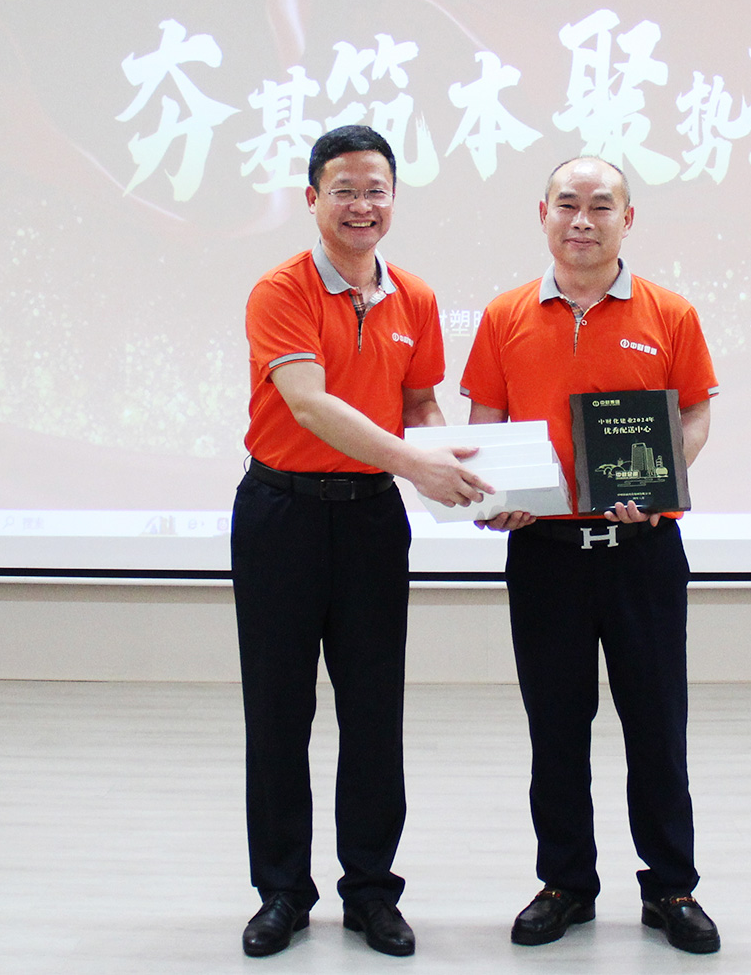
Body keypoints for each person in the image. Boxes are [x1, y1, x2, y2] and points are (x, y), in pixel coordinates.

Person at [233, 125, 491, 959]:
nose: (361, 205)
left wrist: (465, 466)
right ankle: (282, 891)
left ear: (393, 200)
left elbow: (418, 406)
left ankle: (372, 891)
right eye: (343, 190)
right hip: (281, 515)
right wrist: (417, 463)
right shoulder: (280, 290)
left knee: (375, 712)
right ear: (313, 199)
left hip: (373, 520)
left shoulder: (414, 296)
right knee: (280, 710)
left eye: (375, 190)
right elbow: (309, 403)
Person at [460, 156, 723, 954]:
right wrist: (494, 496)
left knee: (657, 724)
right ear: (542, 213)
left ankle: (671, 887)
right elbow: (485, 423)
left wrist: (663, 481)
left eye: (601, 206)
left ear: (627, 219)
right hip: (546, 555)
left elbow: (695, 416)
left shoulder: (670, 312)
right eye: (567, 204)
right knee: (556, 727)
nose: (582, 220)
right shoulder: (505, 314)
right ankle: (565, 883)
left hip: (643, 552)